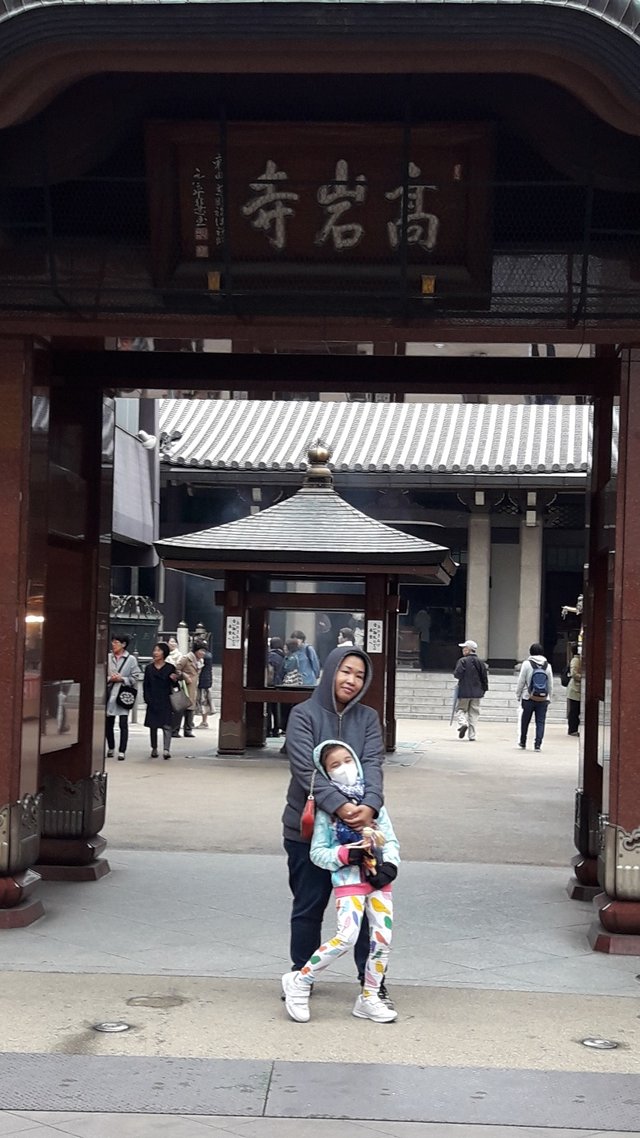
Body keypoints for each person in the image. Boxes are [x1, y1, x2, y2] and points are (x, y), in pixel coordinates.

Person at [282, 645, 391, 1006]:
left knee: (365, 909)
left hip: (360, 833)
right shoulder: (303, 714)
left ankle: (370, 982)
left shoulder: (368, 718)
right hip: (309, 830)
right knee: (308, 906)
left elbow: (373, 762)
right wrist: (342, 806)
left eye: (359, 675)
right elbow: (304, 769)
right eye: (346, 671)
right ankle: (301, 975)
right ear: (330, 671)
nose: (351, 680)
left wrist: (370, 805)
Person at [282, 739, 399, 1024]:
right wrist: (346, 854)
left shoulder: (373, 805)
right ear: (326, 773)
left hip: (379, 881)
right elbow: (318, 853)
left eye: (347, 761)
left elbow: (391, 839)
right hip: (349, 881)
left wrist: (391, 865)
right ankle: (300, 980)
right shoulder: (328, 811)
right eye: (335, 765)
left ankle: (369, 996)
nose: (343, 768)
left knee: (382, 939)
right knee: (346, 936)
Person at [106, 634, 142, 760]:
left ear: (123, 644)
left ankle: (122, 750)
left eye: (116, 642)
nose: (114, 645)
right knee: (108, 723)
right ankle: (111, 747)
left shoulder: (131, 659)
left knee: (123, 723)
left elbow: (136, 676)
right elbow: (99, 673)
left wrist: (123, 679)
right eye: (113, 642)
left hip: (122, 695)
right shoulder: (108, 657)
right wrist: (111, 678)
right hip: (109, 694)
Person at [143, 642, 180, 759]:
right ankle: (154, 748)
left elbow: (176, 686)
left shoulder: (170, 668)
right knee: (153, 726)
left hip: (166, 699)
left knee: (167, 725)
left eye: (158, 650)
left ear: (164, 653)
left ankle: (166, 749)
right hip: (152, 699)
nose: (155, 653)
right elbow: (146, 685)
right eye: (155, 650)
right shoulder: (149, 668)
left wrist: (174, 679)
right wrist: (147, 698)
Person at [516, 642, 554, 751]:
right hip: (543, 698)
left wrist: (518, 694)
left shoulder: (526, 664)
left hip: (528, 697)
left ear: (531, 652)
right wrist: (549, 697)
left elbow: (521, 681)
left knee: (525, 720)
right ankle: (538, 745)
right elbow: (550, 683)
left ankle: (523, 742)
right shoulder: (548, 666)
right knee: (540, 722)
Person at [453, 639, 489, 741]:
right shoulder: (481, 663)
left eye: (464, 648)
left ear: (468, 650)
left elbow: (457, 674)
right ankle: (472, 735)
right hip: (477, 692)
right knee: (474, 713)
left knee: (460, 710)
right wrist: (484, 689)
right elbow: (484, 678)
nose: (463, 650)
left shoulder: (462, 661)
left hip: (464, 691)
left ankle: (463, 723)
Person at [179, 641, 207, 738]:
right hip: (184, 687)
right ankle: (175, 730)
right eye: (201, 650)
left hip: (194, 687)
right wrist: (184, 675)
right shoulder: (186, 658)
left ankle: (188, 730)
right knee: (181, 708)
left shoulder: (200, 661)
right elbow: (176, 669)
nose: (203, 653)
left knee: (191, 708)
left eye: (204, 651)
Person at [267, 636, 286, 736]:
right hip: (281, 683)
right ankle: (277, 728)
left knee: (268, 707)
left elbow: (270, 670)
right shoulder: (284, 655)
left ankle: (268, 728)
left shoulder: (271, 655)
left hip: (272, 683)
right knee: (277, 707)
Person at [196, 644, 214, 728]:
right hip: (206, 681)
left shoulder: (203, 658)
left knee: (203, 701)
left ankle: (204, 722)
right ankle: (204, 721)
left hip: (202, 681)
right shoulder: (208, 655)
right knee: (204, 701)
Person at [566, 645, 582, 737]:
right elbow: (574, 674)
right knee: (574, 711)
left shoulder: (580, 659)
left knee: (576, 710)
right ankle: (572, 729)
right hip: (575, 689)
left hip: (578, 689)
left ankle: (574, 728)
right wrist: (583, 677)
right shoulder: (576, 660)